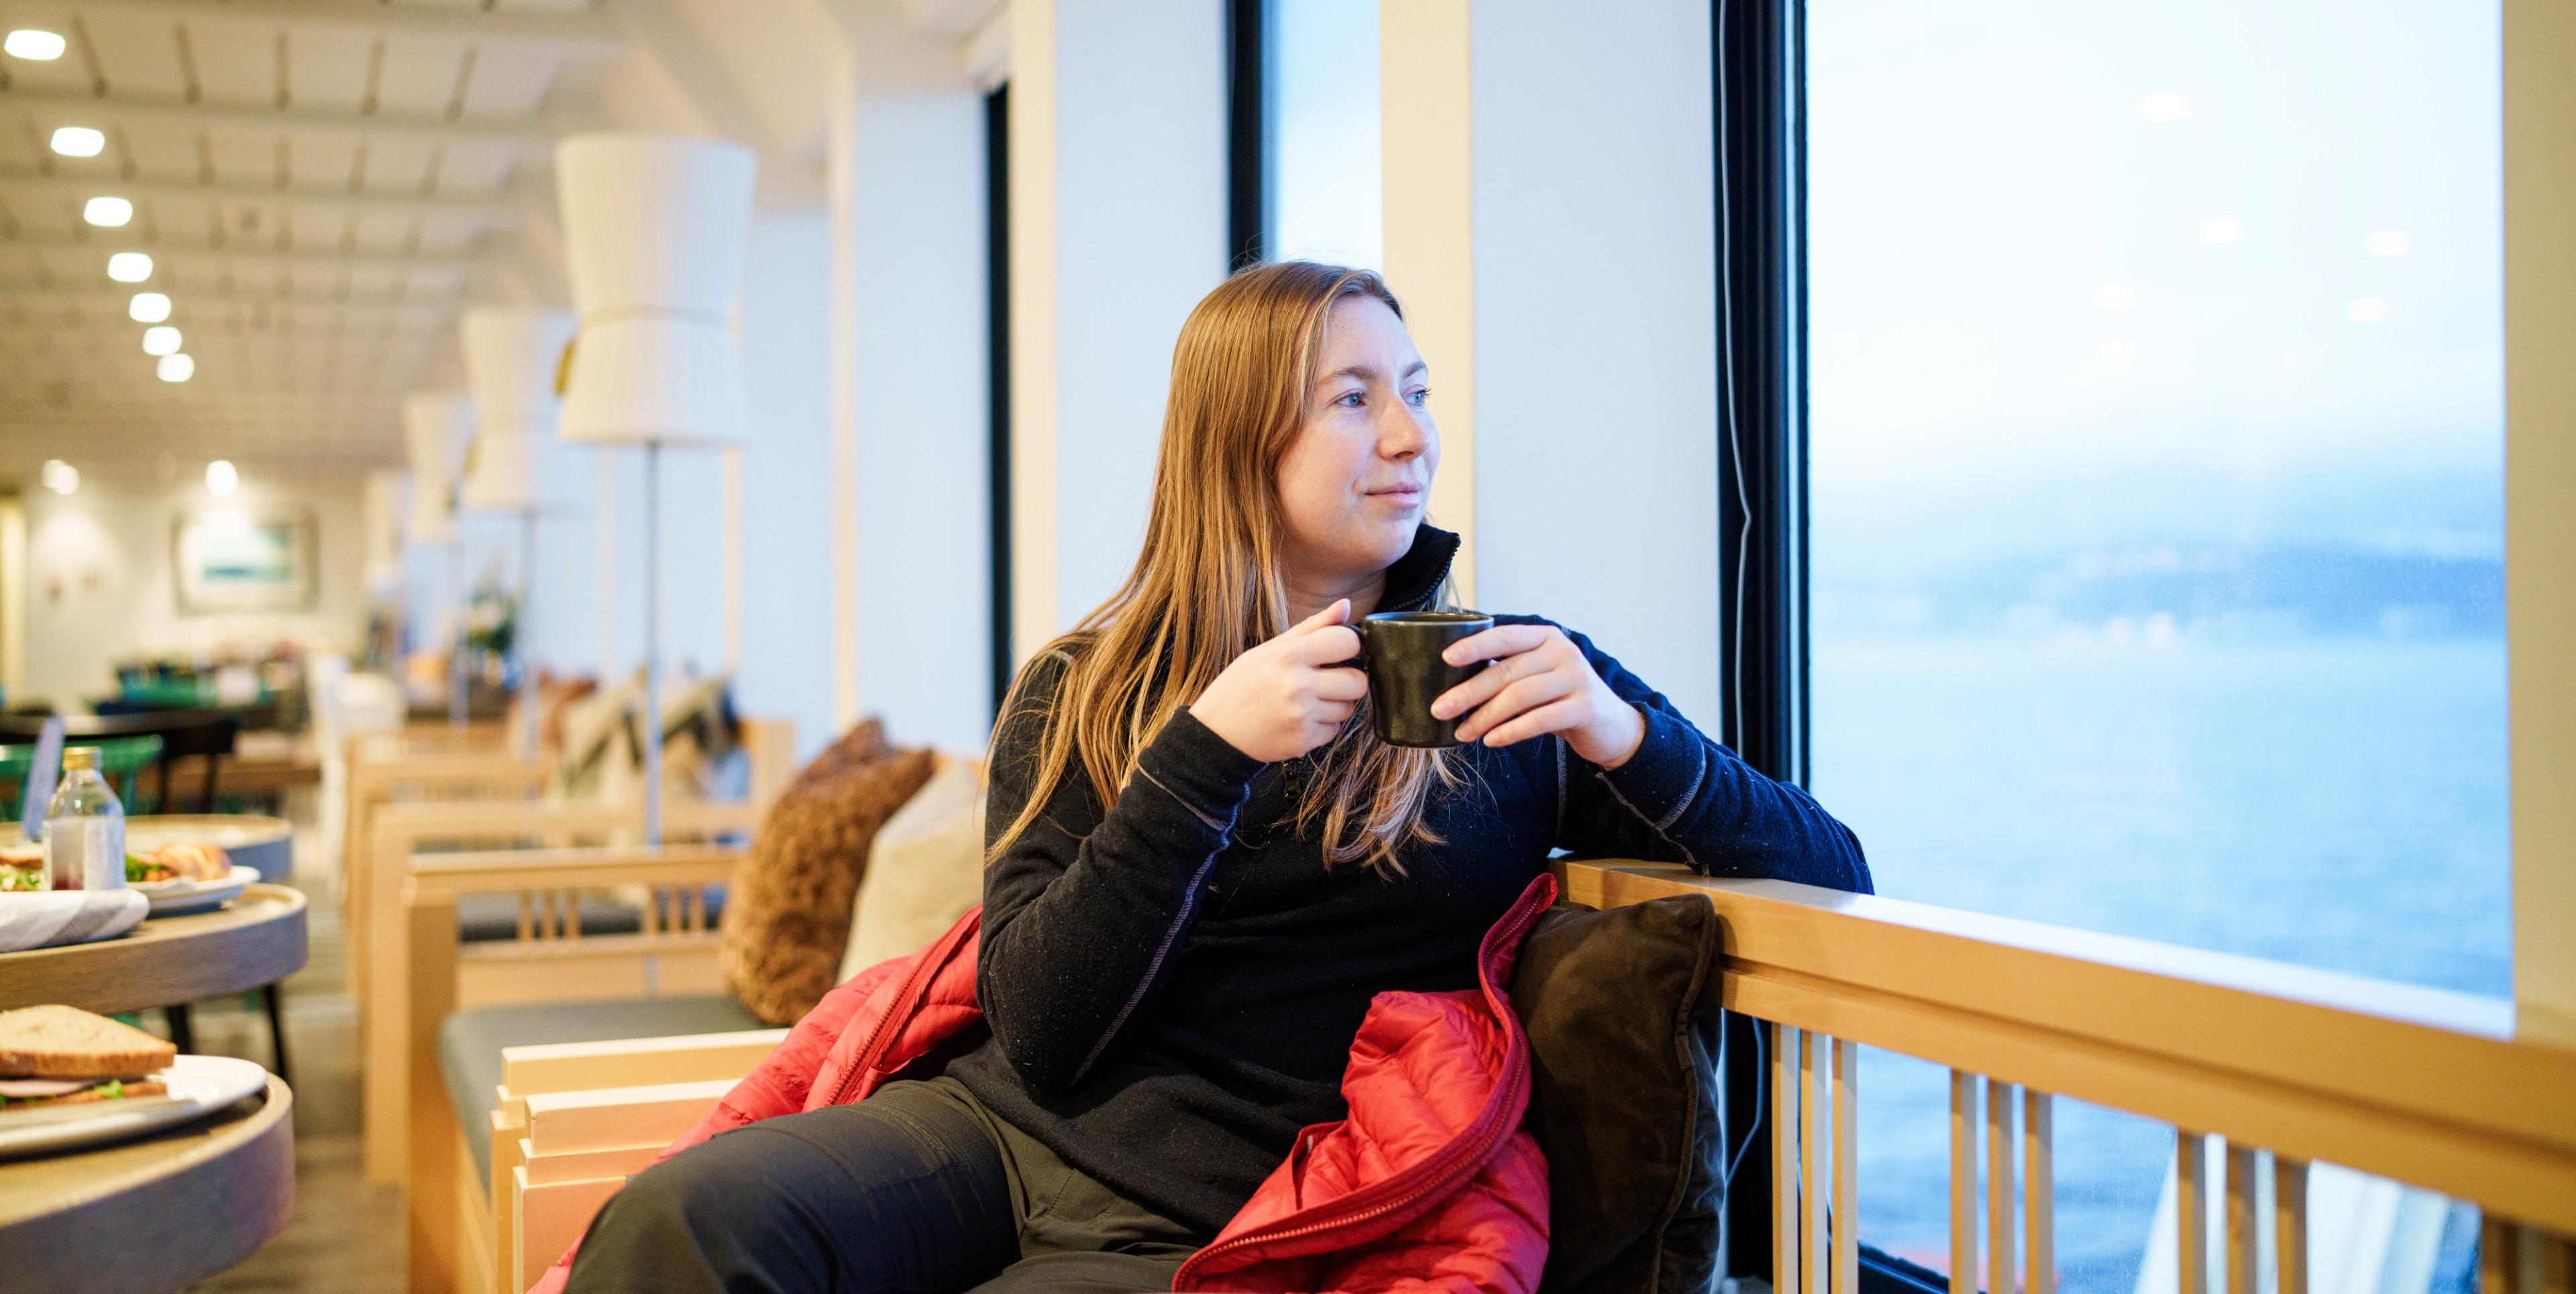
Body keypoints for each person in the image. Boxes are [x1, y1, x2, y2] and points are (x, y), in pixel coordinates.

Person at [563, 261, 1870, 1293]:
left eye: (1415, 388)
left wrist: (1627, 737)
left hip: (1208, 1212)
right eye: (1355, 397)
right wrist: (1204, 753)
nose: (1412, 433)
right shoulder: (1089, 680)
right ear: (1241, 436)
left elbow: (1833, 866)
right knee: (683, 1220)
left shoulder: (1509, 681)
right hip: (990, 1134)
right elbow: (1043, 1020)